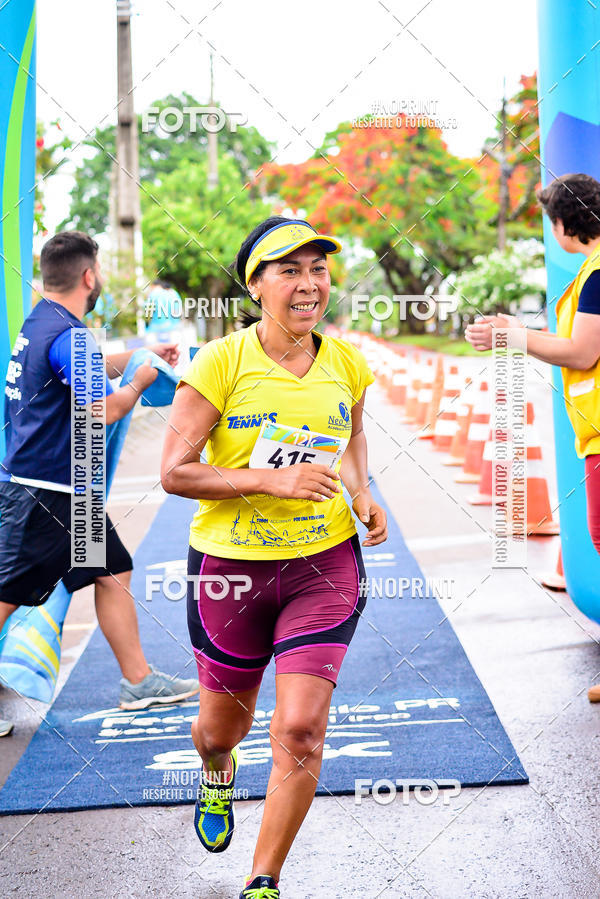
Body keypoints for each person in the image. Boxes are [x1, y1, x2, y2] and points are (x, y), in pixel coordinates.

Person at [161, 216, 388, 898]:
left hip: (324, 563)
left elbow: (347, 437)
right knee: (218, 728)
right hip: (230, 572)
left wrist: (362, 492)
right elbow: (175, 470)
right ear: (256, 284)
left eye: (318, 268)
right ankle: (216, 772)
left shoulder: (344, 362)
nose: (308, 283)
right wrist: (271, 479)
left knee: (299, 725)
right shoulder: (220, 363)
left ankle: (264, 877)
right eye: (289, 269)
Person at [0, 231, 199, 738]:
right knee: (5, 595)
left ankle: (137, 681)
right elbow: (101, 410)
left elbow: (74, 370)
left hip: (61, 490)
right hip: (46, 495)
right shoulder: (71, 336)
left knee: (114, 571)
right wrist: (140, 380)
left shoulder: (41, 324)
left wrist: (141, 353)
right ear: (89, 276)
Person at [465, 172, 600, 703]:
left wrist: (515, 338)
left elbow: (582, 352)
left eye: (551, 220)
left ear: (567, 222)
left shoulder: (595, 275)